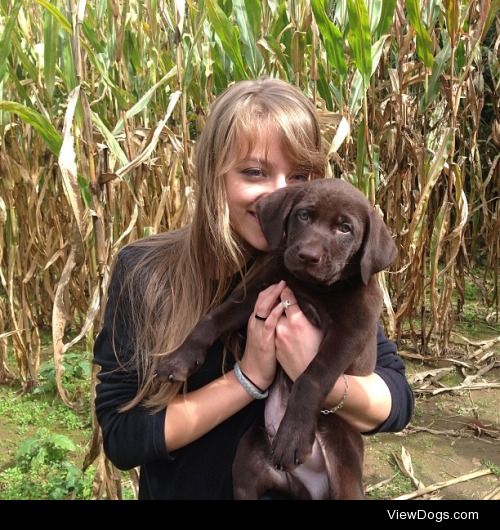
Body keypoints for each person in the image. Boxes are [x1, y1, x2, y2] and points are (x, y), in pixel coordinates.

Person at [93, 78, 414, 500]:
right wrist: (248, 377)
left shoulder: (333, 278)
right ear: (213, 175)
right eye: (254, 171)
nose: (278, 194)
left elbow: (397, 400)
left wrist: (317, 382)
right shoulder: (146, 271)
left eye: (299, 174)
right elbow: (123, 437)